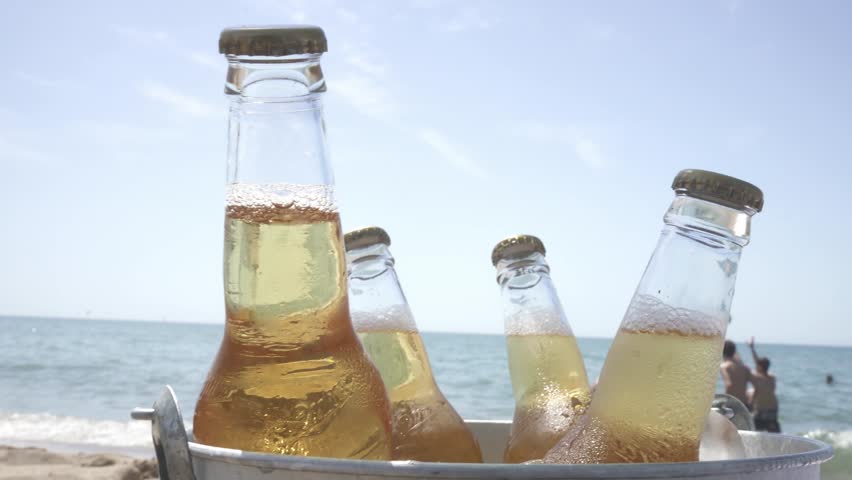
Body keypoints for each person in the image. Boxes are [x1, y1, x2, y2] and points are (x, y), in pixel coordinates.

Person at [747, 336, 781, 433]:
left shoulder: (757, 378)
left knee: (757, 434)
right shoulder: (772, 378)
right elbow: (759, 364)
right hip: (773, 409)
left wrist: (752, 348)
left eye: (758, 366)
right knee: (774, 435)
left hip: (761, 410)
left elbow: (757, 364)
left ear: (760, 367)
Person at [720, 340, 751, 407]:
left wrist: (725, 402)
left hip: (732, 404)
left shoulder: (724, 367)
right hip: (744, 404)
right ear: (734, 352)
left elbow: (729, 385)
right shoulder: (743, 367)